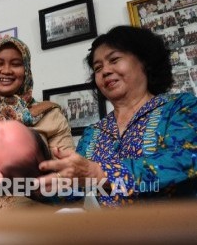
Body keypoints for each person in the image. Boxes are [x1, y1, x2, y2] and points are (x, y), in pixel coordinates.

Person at [38, 25, 197, 207]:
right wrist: (38, 184)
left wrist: (100, 173)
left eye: (114, 60)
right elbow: (77, 190)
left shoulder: (181, 107)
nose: (105, 71)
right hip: (103, 233)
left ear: (144, 61)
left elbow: (186, 160)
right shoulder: (93, 132)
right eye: (98, 68)